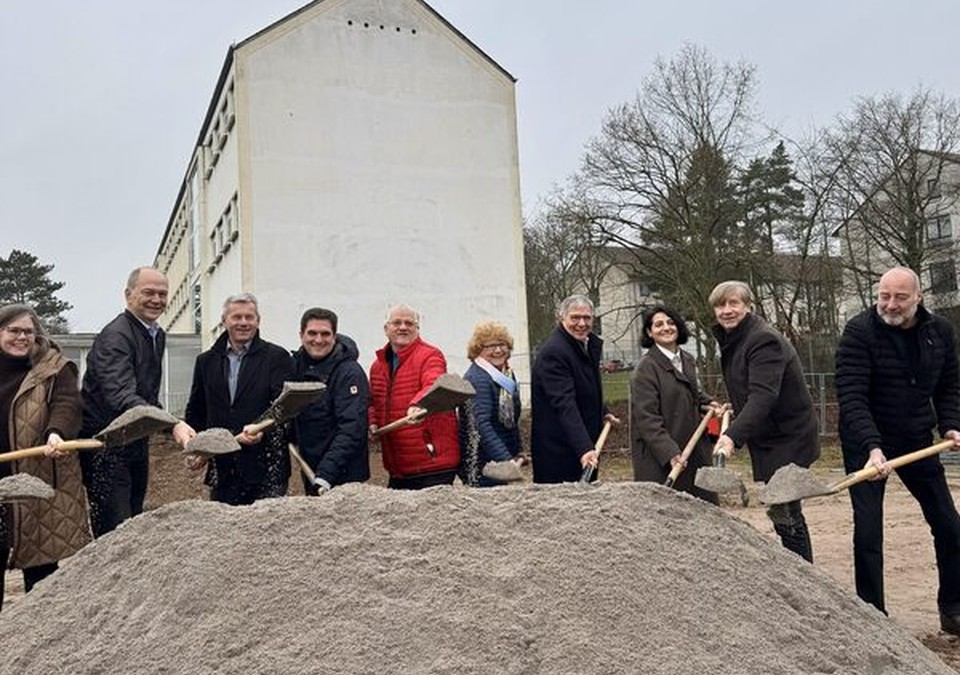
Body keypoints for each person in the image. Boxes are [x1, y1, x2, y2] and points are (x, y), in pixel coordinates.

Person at [835, 266, 960, 634]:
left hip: (916, 438)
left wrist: (951, 424)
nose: (889, 304)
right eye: (883, 296)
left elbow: (950, 384)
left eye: (899, 297)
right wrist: (872, 448)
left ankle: (953, 607)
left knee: (949, 525)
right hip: (866, 441)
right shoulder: (859, 332)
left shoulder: (940, 331)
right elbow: (852, 396)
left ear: (918, 297)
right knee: (869, 531)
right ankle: (872, 615)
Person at [709, 280, 819, 562]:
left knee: (785, 510)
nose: (727, 310)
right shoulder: (736, 338)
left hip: (788, 436)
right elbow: (752, 388)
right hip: (771, 434)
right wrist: (736, 408)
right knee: (781, 508)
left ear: (748, 306)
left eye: (734, 303)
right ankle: (797, 567)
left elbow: (763, 396)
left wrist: (731, 437)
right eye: (721, 305)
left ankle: (803, 574)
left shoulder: (762, 339)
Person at [80, 267, 193, 537]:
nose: (156, 299)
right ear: (128, 295)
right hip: (105, 445)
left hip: (134, 441)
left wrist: (171, 424)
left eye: (162, 294)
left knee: (133, 521)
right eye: (148, 292)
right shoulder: (116, 337)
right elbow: (121, 396)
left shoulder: (155, 334)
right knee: (115, 530)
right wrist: (172, 423)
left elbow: (147, 395)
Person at [0, 305, 90, 608]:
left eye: (28, 331)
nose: (21, 337)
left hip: (36, 480)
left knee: (41, 576)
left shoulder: (54, 368)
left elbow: (68, 403)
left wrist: (57, 432)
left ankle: (40, 646)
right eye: (13, 330)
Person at [184, 293, 294, 505]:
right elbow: (197, 410)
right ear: (224, 321)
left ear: (258, 321)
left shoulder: (276, 358)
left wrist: (261, 429)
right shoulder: (206, 361)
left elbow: (282, 409)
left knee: (266, 533)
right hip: (223, 467)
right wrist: (196, 446)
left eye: (249, 317)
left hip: (266, 466)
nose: (243, 323)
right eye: (236, 317)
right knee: (224, 532)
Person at [630, 305, 721, 503]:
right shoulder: (646, 369)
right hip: (661, 457)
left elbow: (691, 391)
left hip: (693, 448)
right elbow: (647, 419)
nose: (666, 328)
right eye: (658, 324)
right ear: (649, 332)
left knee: (703, 509)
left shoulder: (686, 359)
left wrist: (709, 402)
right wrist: (670, 452)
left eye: (671, 323)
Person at [368, 304, 459, 489]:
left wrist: (419, 403)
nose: (403, 327)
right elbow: (373, 401)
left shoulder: (430, 355)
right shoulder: (377, 366)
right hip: (398, 465)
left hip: (432, 462)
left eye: (409, 323)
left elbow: (433, 381)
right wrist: (373, 421)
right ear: (386, 329)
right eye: (397, 323)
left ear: (417, 329)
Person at [531, 295, 619, 484]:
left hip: (583, 446)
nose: (581, 323)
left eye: (587, 318)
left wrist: (602, 411)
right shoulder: (554, 352)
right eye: (575, 318)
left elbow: (584, 387)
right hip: (560, 451)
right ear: (561, 318)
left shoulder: (583, 346)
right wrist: (584, 448)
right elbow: (564, 403)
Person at [291, 308, 370, 494]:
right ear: (301, 335)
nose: (318, 340)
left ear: (335, 336)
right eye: (312, 333)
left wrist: (326, 473)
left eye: (325, 334)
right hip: (312, 471)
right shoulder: (295, 368)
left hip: (345, 476)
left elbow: (352, 427)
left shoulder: (350, 373)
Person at [458, 321, 522, 487]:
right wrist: (506, 461)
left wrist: (517, 451)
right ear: (478, 349)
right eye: (491, 346)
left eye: (503, 344)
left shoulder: (506, 374)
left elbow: (512, 419)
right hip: (480, 463)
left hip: (498, 458)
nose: (499, 350)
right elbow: (482, 425)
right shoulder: (477, 378)